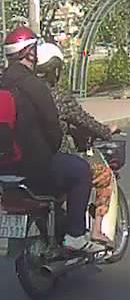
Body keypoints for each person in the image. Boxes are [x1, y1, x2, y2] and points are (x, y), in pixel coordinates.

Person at [0, 27, 100, 253]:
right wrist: (51, 149)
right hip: (34, 168)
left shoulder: (2, 82)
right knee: (80, 170)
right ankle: (76, 235)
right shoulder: (34, 85)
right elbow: (52, 127)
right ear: (29, 53)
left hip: (4, 169)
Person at [34, 43, 119, 246]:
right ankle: (93, 231)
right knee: (103, 175)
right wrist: (107, 131)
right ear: (56, 70)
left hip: (26, 165)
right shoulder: (59, 96)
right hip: (57, 161)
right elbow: (85, 121)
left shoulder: (25, 94)